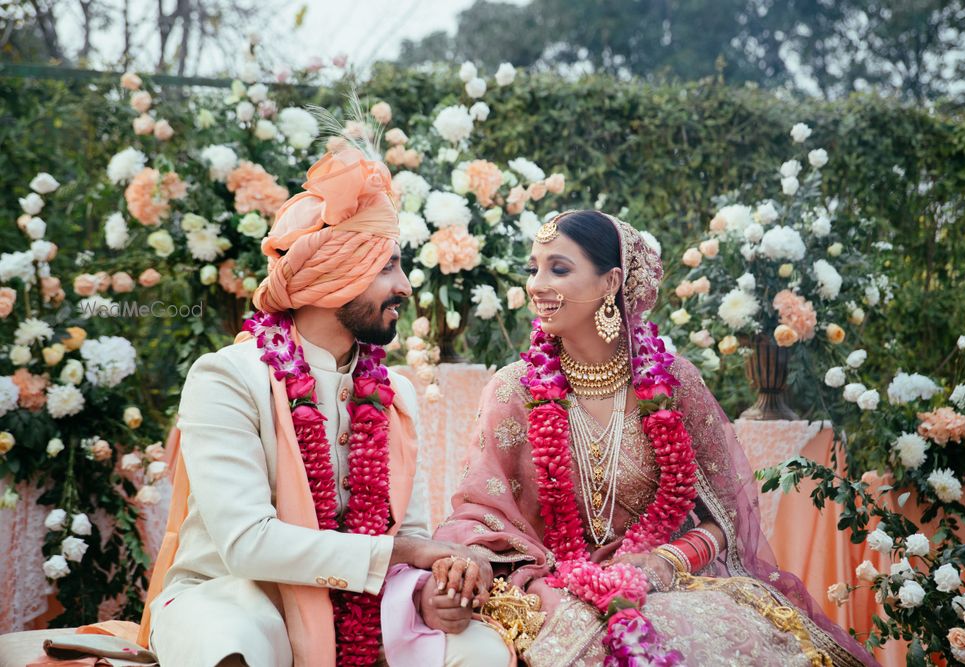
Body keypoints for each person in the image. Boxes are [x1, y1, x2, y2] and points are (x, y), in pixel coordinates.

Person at [434, 210, 879, 666]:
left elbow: (724, 515)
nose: (536, 284)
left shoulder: (674, 383)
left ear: (611, 282)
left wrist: (668, 560)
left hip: (666, 580)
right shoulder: (514, 390)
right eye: (534, 269)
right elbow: (480, 512)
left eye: (559, 269)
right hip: (553, 583)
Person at [139, 144, 510, 667]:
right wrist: (404, 555)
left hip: (361, 600)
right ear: (335, 279)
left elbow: (408, 535)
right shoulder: (228, 378)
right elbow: (246, 544)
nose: (405, 287)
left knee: (481, 650)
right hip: (237, 593)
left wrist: (429, 590)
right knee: (235, 645)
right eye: (388, 267)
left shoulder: (395, 394)